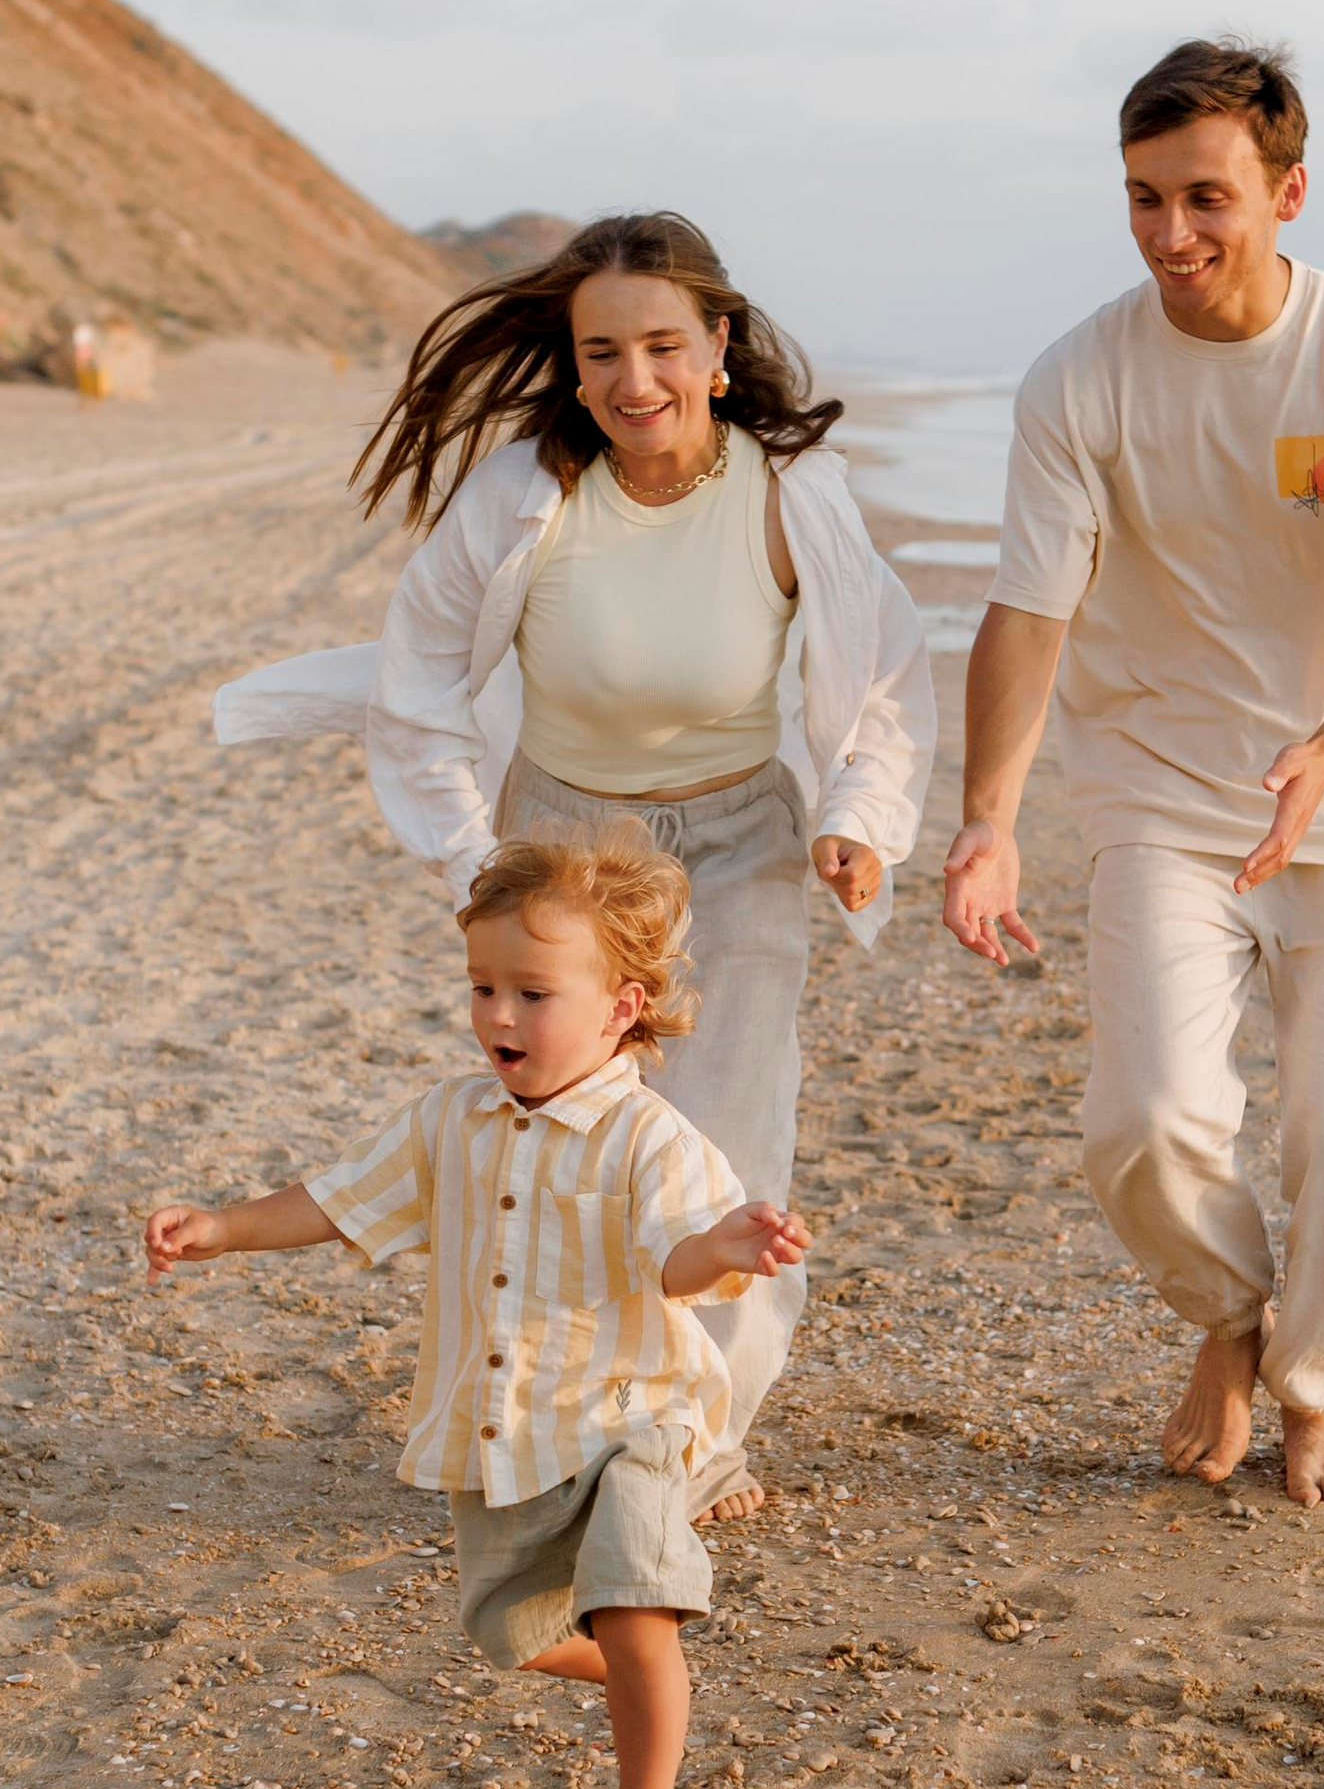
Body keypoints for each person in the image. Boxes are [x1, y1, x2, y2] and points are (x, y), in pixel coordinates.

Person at [216, 213, 933, 1519]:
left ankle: (696, 1439)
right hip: (560, 847)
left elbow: (883, 675)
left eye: (664, 345)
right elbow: (420, 687)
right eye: (602, 351)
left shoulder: (789, 496)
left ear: (719, 347)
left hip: (735, 847)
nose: (633, 379)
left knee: (720, 1154)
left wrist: (860, 819)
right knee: (561, 1144)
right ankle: (567, 1404)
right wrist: (476, 859)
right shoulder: (522, 497)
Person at [942, 39, 1324, 1506]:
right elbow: (1029, 611)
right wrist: (988, 821)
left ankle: (1315, 1391)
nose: (1173, 234)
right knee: (1146, 1121)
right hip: (1163, 791)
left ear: (1289, 192)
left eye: (1207, 198)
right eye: (1143, 198)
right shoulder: (1080, 378)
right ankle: (1230, 1319)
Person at [144, 828, 804, 1789]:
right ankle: (654, 1690)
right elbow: (335, 1200)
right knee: (508, 1631)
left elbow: (676, 1258)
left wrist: (727, 1247)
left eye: (533, 993)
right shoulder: (450, 1121)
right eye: (483, 987)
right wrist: (221, 1227)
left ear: (620, 1007)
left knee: (636, 1603)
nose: (499, 1015)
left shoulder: (652, 1140)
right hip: (508, 1429)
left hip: (633, 1415)